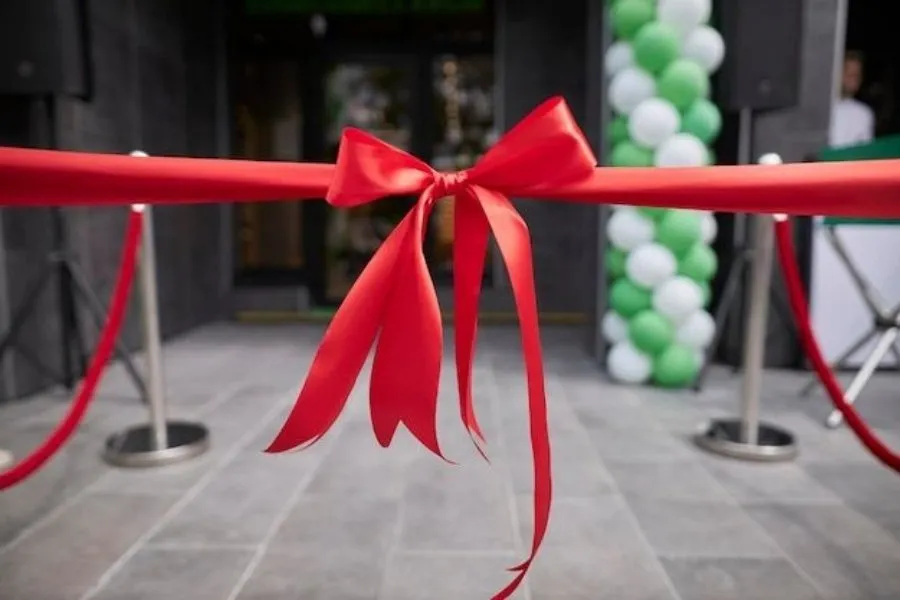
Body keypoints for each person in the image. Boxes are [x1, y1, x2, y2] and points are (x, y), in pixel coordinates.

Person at [829, 51, 875, 148]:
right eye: (849, 73)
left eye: (857, 74)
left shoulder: (864, 113)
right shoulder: (823, 106)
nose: (854, 78)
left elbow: (866, 153)